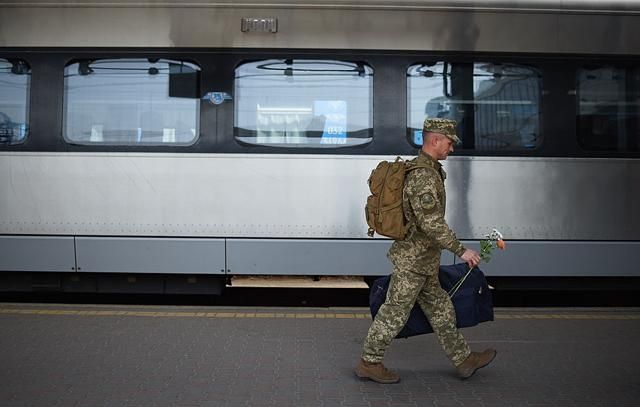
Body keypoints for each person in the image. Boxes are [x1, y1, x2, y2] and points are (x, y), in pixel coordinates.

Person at [355, 118, 496, 382]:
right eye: (449, 142)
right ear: (435, 140)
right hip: (414, 261)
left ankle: (463, 359)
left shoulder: (429, 170)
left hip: (425, 261)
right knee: (394, 313)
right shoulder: (423, 176)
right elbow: (430, 222)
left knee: (442, 309)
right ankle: (369, 362)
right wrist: (460, 249)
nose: (451, 149)